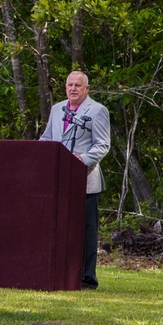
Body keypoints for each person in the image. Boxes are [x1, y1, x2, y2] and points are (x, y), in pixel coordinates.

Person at [39, 71, 111, 290]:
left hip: (84, 181)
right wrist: (37, 151)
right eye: (69, 84)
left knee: (85, 232)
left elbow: (102, 145)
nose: (73, 89)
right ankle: (59, 275)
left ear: (86, 89)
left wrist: (82, 160)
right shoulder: (57, 109)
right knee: (58, 230)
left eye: (78, 85)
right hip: (59, 182)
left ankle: (86, 279)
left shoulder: (97, 111)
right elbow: (48, 138)